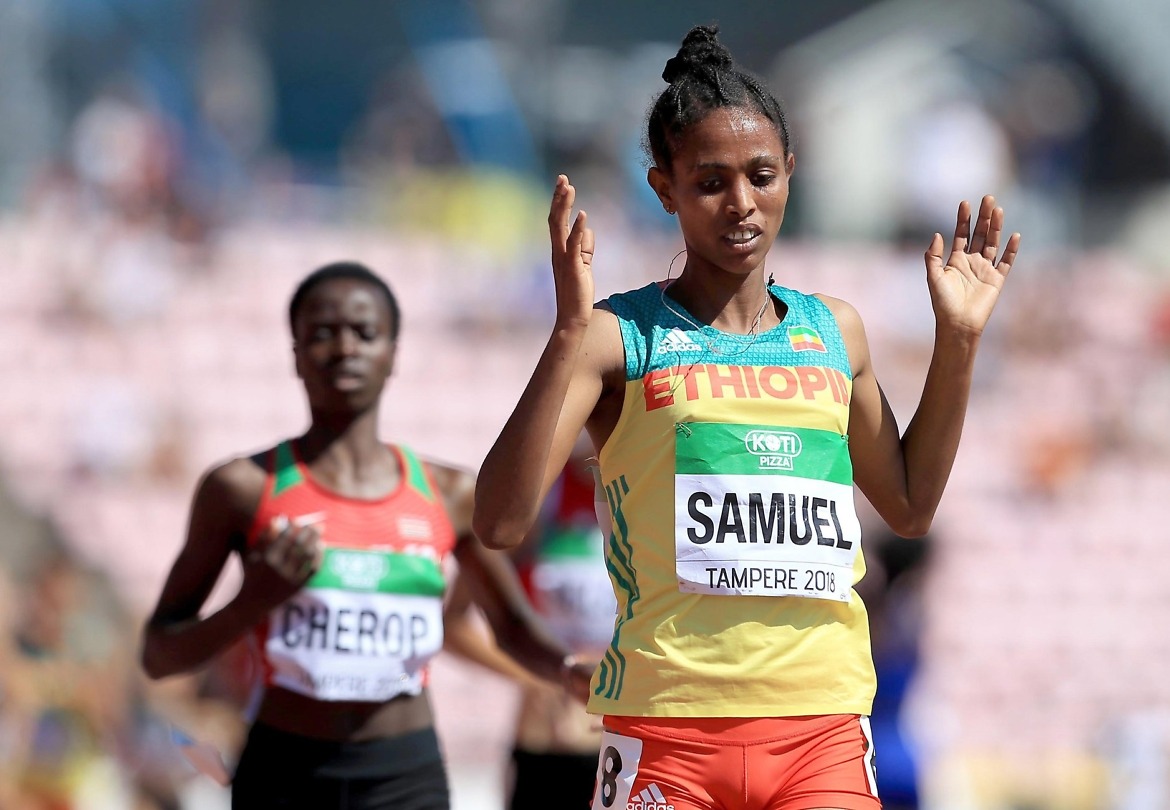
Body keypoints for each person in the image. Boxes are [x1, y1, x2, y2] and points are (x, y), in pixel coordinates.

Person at [472, 24, 1020, 810]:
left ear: (791, 173)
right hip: (669, 727)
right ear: (663, 188)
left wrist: (958, 340)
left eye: (761, 176)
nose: (741, 204)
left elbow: (910, 505)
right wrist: (564, 335)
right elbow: (497, 521)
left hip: (821, 728)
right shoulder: (617, 338)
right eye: (709, 182)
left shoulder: (836, 332)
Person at [140, 261, 592, 810]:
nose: (345, 348)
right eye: (322, 333)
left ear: (393, 352)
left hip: (404, 775)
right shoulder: (240, 488)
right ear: (296, 354)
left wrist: (568, 672)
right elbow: (159, 655)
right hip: (284, 771)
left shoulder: (448, 492)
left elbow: (513, 626)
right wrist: (252, 601)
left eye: (364, 332)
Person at [444, 434, 615, 810]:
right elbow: (453, 625)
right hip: (550, 740)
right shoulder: (539, 502)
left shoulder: (662, 497)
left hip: (634, 738)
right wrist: (544, 676)